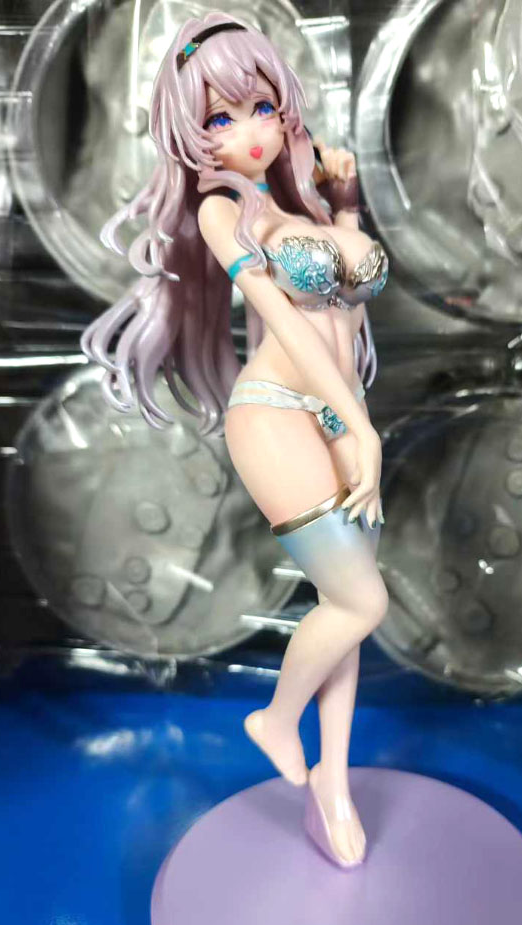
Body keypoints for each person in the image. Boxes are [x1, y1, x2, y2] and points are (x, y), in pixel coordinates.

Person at [82, 12, 390, 869]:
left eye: (260, 106)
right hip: (278, 412)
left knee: (341, 607)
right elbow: (286, 326)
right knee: (361, 602)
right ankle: (275, 719)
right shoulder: (224, 211)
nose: (249, 132)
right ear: (190, 134)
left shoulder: (299, 202)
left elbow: (345, 309)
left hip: (337, 412)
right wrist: (358, 424)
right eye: (218, 118)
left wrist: (345, 204)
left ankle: (332, 783)